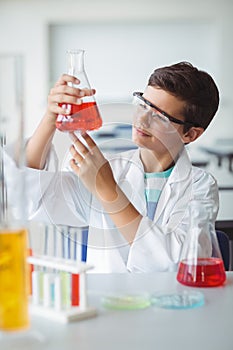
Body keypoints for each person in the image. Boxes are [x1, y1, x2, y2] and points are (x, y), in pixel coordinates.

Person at [23, 61, 219, 272]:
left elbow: (181, 262)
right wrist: (50, 118)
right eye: (143, 105)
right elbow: (33, 198)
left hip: (171, 302)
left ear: (190, 134)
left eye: (159, 116)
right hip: (106, 301)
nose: (142, 120)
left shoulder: (200, 186)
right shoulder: (109, 169)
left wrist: (108, 191)